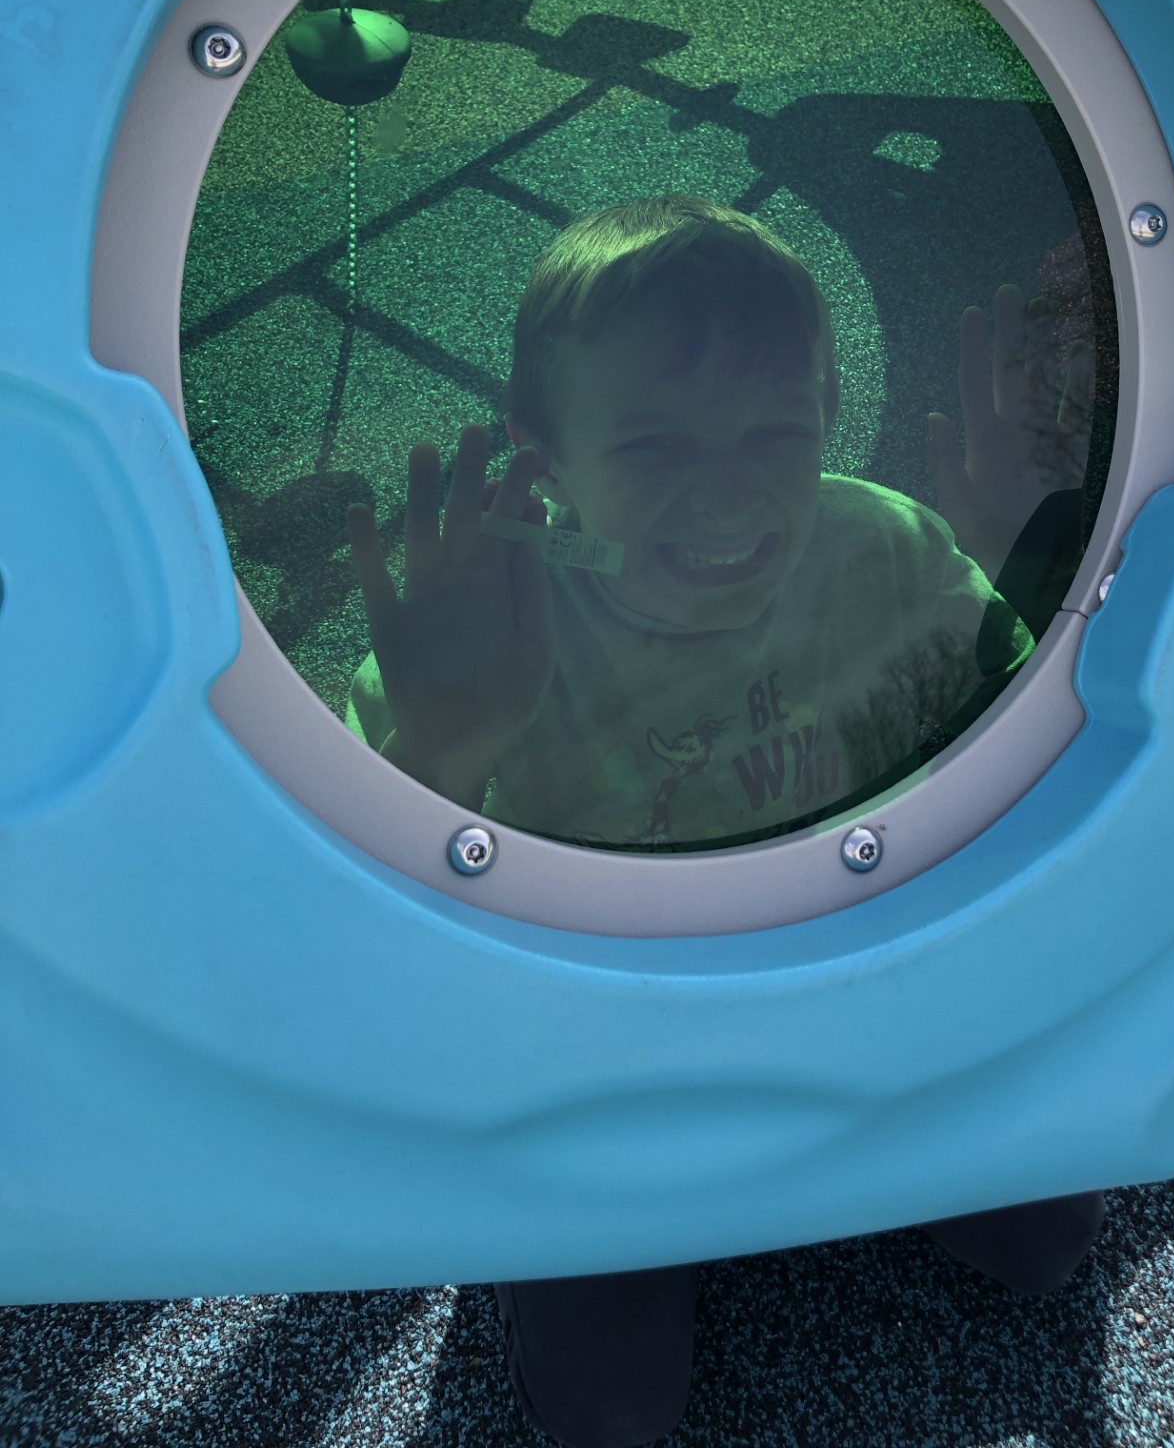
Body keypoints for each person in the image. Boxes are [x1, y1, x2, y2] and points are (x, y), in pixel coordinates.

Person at [345, 195, 1103, 1447]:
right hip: (609, 1078)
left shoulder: (886, 553)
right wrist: (443, 738)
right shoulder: (491, 630)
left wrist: (1017, 560)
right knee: (609, 1419)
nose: (726, 495)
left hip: (862, 1003)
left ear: (825, 418)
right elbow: (381, 956)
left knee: (1045, 1246)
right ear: (543, 458)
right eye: (650, 450)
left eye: (774, 433)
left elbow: (1027, 766)